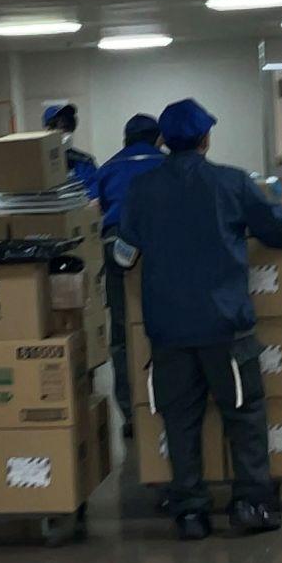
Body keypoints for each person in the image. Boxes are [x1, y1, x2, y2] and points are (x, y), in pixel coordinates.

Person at [120, 98, 282, 540]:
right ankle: (250, 504)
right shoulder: (232, 183)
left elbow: (124, 255)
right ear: (205, 138)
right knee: (244, 414)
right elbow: (279, 231)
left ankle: (190, 514)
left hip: (168, 330)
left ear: (165, 141)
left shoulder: (142, 190)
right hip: (225, 326)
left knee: (180, 421)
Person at [95, 114, 164, 436]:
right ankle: (164, 405)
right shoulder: (167, 164)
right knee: (165, 326)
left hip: (118, 247)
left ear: (126, 139)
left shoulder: (109, 167)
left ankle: (130, 414)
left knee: (123, 334)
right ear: (158, 138)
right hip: (160, 245)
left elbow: (97, 207)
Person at [43, 102, 100, 197]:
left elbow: (95, 195)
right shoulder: (39, 163)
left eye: (68, 128)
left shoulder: (84, 162)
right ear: (48, 130)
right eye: (60, 127)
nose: (65, 133)